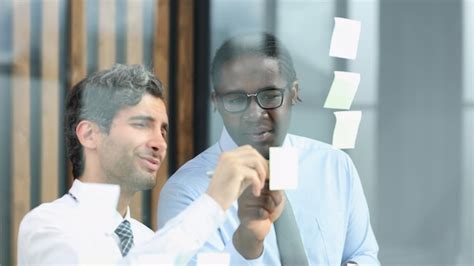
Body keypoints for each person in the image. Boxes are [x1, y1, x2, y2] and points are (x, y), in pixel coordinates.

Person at [157, 33, 380, 265]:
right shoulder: (187, 193)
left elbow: (362, 255)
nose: (255, 114)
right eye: (236, 99)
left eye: (270, 95)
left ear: (293, 93)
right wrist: (246, 243)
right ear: (216, 102)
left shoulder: (333, 166)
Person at [17, 64, 269, 265]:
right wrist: (213, 203)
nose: (160, 143)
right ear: (89, 134)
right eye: (141, 124)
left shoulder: (148, 240)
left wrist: (246, 242)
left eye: (163, 130)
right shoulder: (47, 226)